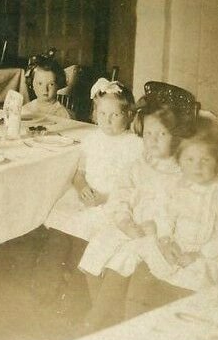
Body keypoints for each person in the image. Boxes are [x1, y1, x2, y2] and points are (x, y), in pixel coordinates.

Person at [77, 102, 187, 330]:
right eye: (148, 133)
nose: (153, 140)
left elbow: (180, 210)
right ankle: (107, 313)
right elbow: (119, 197)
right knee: (96, 250)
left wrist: (157, 231)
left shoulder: (181, 173)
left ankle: (96, 319)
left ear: (175, 137)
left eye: (162, 134)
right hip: (129, 227)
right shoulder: (137, 166)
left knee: (121, 262)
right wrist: (125, 221)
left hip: (157, 235)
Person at [41, 78, 143, 289]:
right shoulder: (92, 139)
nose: (107, 120)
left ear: (129, 115)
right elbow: (80, 174)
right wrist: (82, 188)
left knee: (87, 233)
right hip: (86, 196)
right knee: (60, 224)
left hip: (113, 201)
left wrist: (105, 198)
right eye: (102, 114)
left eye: (115, 115)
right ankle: (49, 282)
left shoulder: (135, 145)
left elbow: (136, 186)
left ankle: (75, 285)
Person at [145, 128, 218, 292]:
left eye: (205, 160)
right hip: (179, 243)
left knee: (197, 280)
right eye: (189, 159)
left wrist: (199, 255)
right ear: (179, 162)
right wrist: (166, 239)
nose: (197, 166)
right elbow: (166, 215)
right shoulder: (178, 184)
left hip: (212, 251)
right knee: (150, 263)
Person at [22, 54, 72, 119]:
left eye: (51, 84)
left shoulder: (62, 114)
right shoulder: (26, 109)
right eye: (40, 83)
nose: (45, 89)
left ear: (58, 85)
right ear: (32, 84)